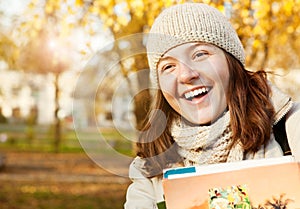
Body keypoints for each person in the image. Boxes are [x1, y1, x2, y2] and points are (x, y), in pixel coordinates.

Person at [124, 3, 300, 209]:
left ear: (231, 61)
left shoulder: (291, 128)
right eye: (168, 66)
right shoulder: (150, 167)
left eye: (199, 54)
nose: (186, 75)